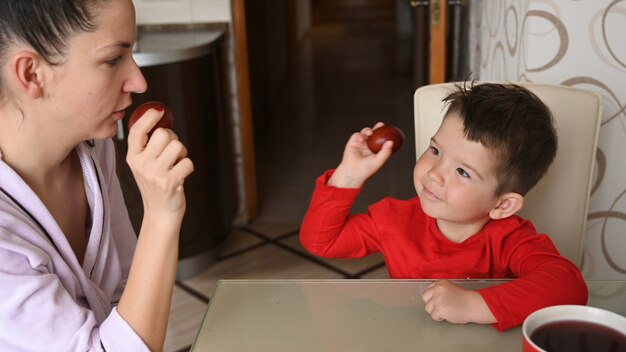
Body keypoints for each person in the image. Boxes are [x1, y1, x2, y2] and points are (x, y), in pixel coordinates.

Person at [300, 82, 588, 331]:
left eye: (463, 172)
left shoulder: (510, 240)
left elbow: (569, 287)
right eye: (435, 150)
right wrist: (348, 176)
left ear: (502, 204)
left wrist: (474, 305)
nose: (434, 173)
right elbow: (320, 243)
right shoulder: (394, 219)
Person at [0, 0, 194, 351]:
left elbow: (124, 290)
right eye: (112, 59)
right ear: (31, 73)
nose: (138, 81)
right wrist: (162, 215)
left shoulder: (94, 147)